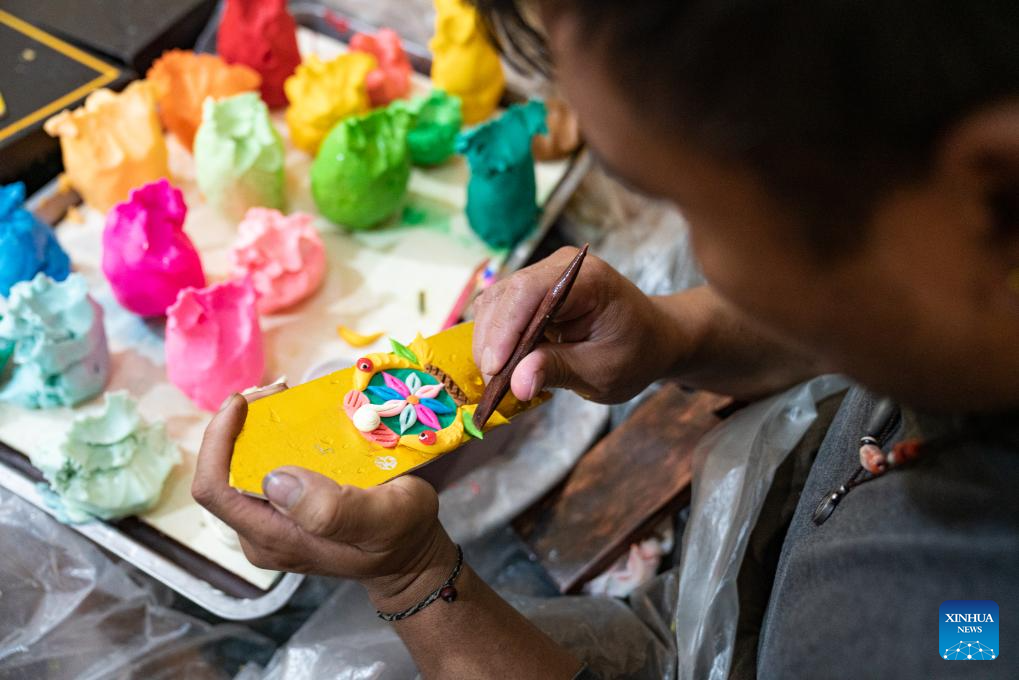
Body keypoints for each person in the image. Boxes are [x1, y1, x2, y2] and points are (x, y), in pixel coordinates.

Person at [193, 1, 1019, 677]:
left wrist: (412, 579)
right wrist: (675, 334)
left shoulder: (953, 631)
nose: (693, 255)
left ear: (990, 190)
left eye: (697, 208)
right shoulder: (963, 289)